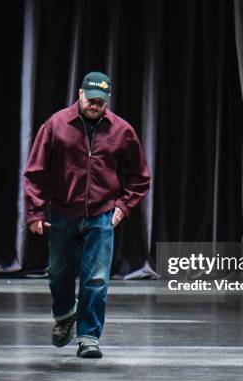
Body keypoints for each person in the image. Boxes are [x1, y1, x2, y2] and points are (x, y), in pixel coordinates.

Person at [23, 72, 151, 358]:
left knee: (96, 279)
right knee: (58, 274)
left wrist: (123, 207)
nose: (95, 106)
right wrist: (35, 211)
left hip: (101, 215)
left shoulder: (122, 131)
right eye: (91, 99)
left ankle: (89, 337)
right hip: (62, 214)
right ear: (79, 94)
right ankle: (65, 315)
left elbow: (140, 177)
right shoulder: (56, 125)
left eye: (101, 102)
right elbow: (35, 172)